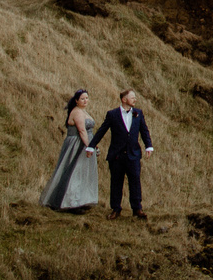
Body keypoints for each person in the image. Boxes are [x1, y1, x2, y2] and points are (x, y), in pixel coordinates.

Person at [88, 87, 154, 218]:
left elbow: (144, 131)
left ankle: (137, 209)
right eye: (132, 97)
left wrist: (149, 146)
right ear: (124, 99)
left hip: (133, 154)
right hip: (117, 155)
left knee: (135, 181)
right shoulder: (112, 114)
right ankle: (116, 209)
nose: (135, 99)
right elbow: (102, 130)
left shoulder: (138, 113)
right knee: (116, 182)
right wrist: (91, 146)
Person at [38, 89, 104, 212]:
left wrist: (94, 145)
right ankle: (70, 202)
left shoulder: (84, 112)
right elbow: (82, 131)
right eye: (82, 99)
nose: (85, 101)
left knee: (83, 172)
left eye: (87, 98)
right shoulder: (77, 112)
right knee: (74, 171)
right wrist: (89, 146)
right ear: (76, 101)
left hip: (86, 143)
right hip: (78, 144)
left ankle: (81, 200)